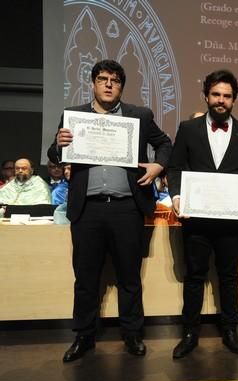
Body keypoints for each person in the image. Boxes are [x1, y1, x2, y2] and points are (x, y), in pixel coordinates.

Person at [48, 59, 172, 362]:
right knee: (86, 277)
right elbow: (55, 154)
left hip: (126, 208)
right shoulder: (74, 115)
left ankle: (132, 334)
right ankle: (84, 336)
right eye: (102, 78)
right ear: (92, 83)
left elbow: (165, 143)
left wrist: (158, 166)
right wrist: (57, 143)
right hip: (87, 209)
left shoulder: (139, 116)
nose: (108, 84)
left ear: (121, 86)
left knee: (130, 276)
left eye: (114, 80)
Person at [167, 69, 238, 358]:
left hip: (232, 220)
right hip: (196, 218)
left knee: (229, 276)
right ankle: (189, 332)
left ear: (234, 100)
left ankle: (231, 331)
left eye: (227, 96)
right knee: (194, 276)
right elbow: (175, 167)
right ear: (206, 96)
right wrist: (177, 195)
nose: (221, 101)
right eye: (216, 95)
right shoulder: (188, 129)